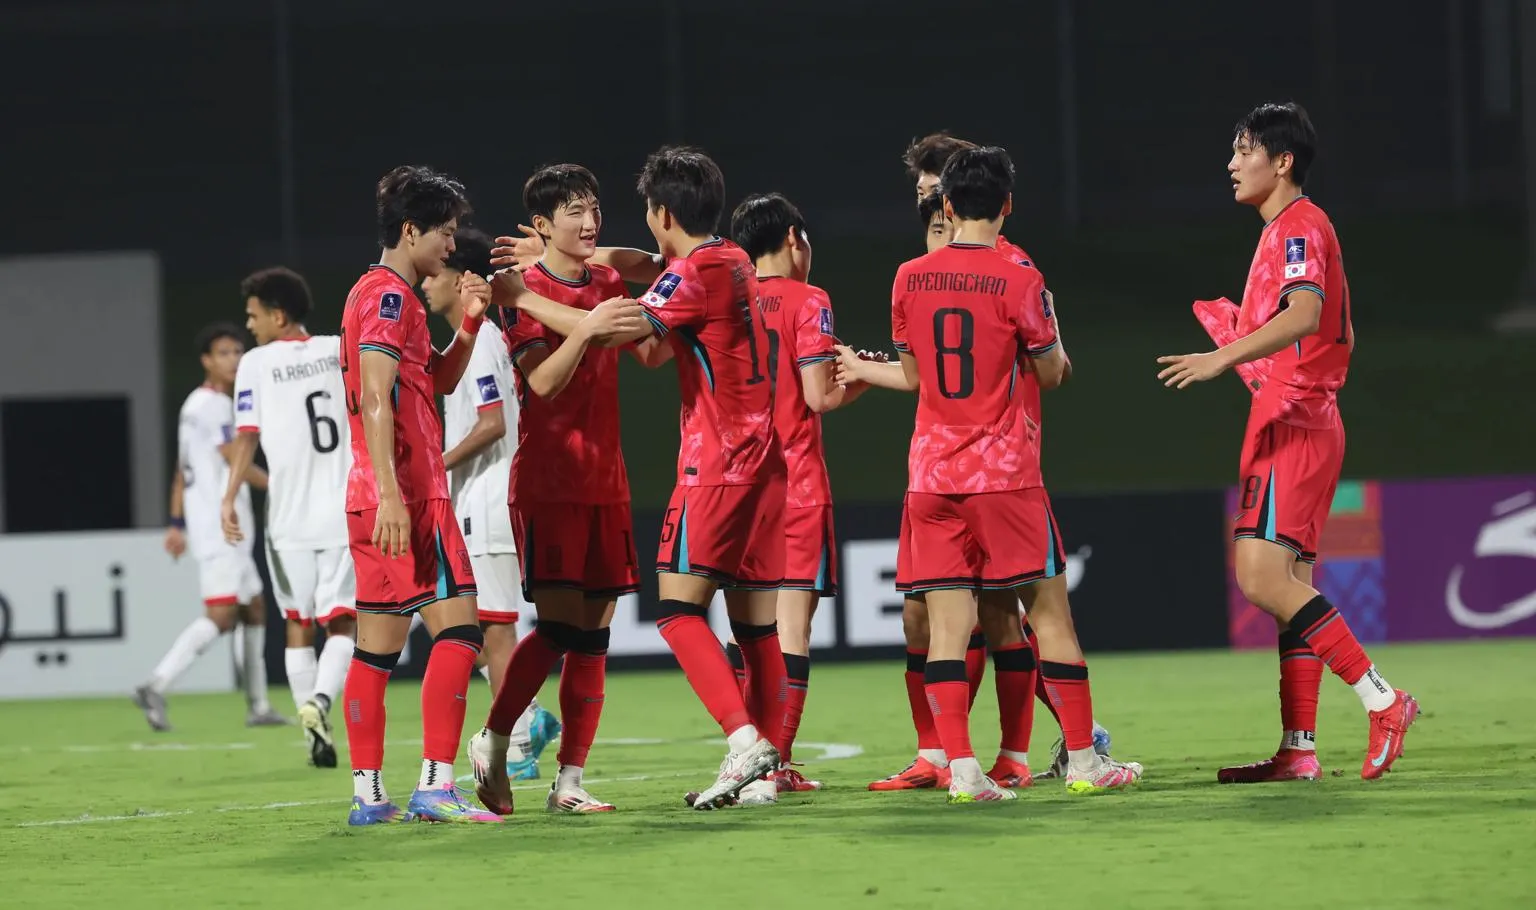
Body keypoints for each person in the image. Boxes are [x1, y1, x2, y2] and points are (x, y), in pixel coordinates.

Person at [836, 146, 1142, 799]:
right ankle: (1086, 762)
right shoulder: (1019, 277)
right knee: (1049, 615)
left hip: (932, 476)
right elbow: (1054, 372)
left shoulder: (907, 277)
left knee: (947, 627)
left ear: (946, 205)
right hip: (1003, 474)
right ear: (1006, 205)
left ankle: (964, 769)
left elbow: (916, 377)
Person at [496, 147, 786, 811]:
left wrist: (527, 295)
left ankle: (745, 742)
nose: (599, 222)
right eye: (581, 213)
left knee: (679, 613)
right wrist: (572, 267)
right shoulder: (731, 259)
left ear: (661, 212)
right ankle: (764, 769)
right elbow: (649, 321)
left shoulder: (694, 272)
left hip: (718, 463)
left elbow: (620, 327)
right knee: (754, 624)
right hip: (767, 462)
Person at [1155, 102, 1418, 781]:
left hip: (1295, 425)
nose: (1232, 163)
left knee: (1260, 576)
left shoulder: (1298, 227)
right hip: (1300, 416)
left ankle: (1382, 701)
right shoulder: (1289, 229)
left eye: (1244, 150)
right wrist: (1245, 346)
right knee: (1288, 582)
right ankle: (1298, 749)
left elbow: (1304, 315)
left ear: (1283, 160)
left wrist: (1225, 356)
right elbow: (1337, 331)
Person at [467, 165, 643, 814]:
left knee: (596, 635)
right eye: (572, 210)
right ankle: (495, 737)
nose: (588, 220)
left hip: (607, 480)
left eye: (593, 207)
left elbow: (643, 346)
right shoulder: (520, 291)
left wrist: (622, 320)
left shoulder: (603, 280)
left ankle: (569, 781)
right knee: (560, 626)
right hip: (550, 482)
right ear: (540, 225)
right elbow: (542, 384)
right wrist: (591, 328)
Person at [338, 165, 501, 825]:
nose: (451, 243)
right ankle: (436, 785)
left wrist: (467, 327)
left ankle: (368, 797)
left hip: (370, 492)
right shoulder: (389, 297)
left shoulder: (378, 295)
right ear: (410, 230)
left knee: (375, 650)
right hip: (405, 491)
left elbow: (429, 381)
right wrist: (394, 495)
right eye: (444, 230)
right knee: (462, 633)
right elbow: (376, 397)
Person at [725, 192, 867, 793]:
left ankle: (743, 752)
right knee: (789, 632)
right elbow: (818, 397)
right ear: (792, 238)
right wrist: (860, 375)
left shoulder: (725, 298)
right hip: (796, 484)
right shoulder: (810, 300)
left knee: (749, 633)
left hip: (733, 484)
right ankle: (772, 766)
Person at [422, 226, 559, 782]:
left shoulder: (479, 345)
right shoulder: (474, 341)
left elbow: (490, 424)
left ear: (463, 280)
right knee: (474, 630)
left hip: (490, 498)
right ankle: (529, 717)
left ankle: (521, 736)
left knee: (493, 629)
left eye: (436, 275)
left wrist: (435, 465)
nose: (427, 284)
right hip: (481, 499)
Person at [221, 267, 357, 768]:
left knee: (298, 623)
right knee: (343, 622)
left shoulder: (255, 364)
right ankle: (321, 701)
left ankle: (312, 730)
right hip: (343, 510)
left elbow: (247, 435)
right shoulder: (337, 349)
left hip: (289, 519)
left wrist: (229, 495)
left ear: (278, 315)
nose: (249, 326)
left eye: (254, 316)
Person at [135, 324, 287, 731]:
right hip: (222, 525)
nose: (234, 360)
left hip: (215, 522)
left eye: (238, 351)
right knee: (221, 616)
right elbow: (232, 455)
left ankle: (257, 705)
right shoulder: (215, 407)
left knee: (253, 606)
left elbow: (181, 471)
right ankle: (156, 683)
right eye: (224, 353)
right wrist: (283, 484)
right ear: (206, 360)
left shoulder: (194, 405)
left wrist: (175, 522)